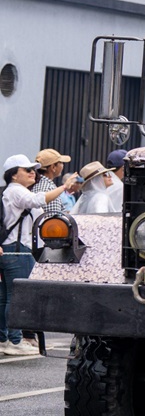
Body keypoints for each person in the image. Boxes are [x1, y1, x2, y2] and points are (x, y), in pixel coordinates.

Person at [2, 154, 76, 356]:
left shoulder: (12, 191)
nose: (32, 172)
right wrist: (64, 187)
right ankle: (15, 341)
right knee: (16, 297)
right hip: (18, 250)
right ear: (14, 175)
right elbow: (37, 200)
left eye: (33, 169)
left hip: (11, 249)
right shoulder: (17, 191)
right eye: (27, 170)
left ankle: (4, 339)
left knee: (6, 296)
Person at [33, 148, 74, 215]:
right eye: (61, 162)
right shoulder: (49, 189)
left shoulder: (34, 183)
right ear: (53, 167)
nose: (63, 165)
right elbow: (53, 217)